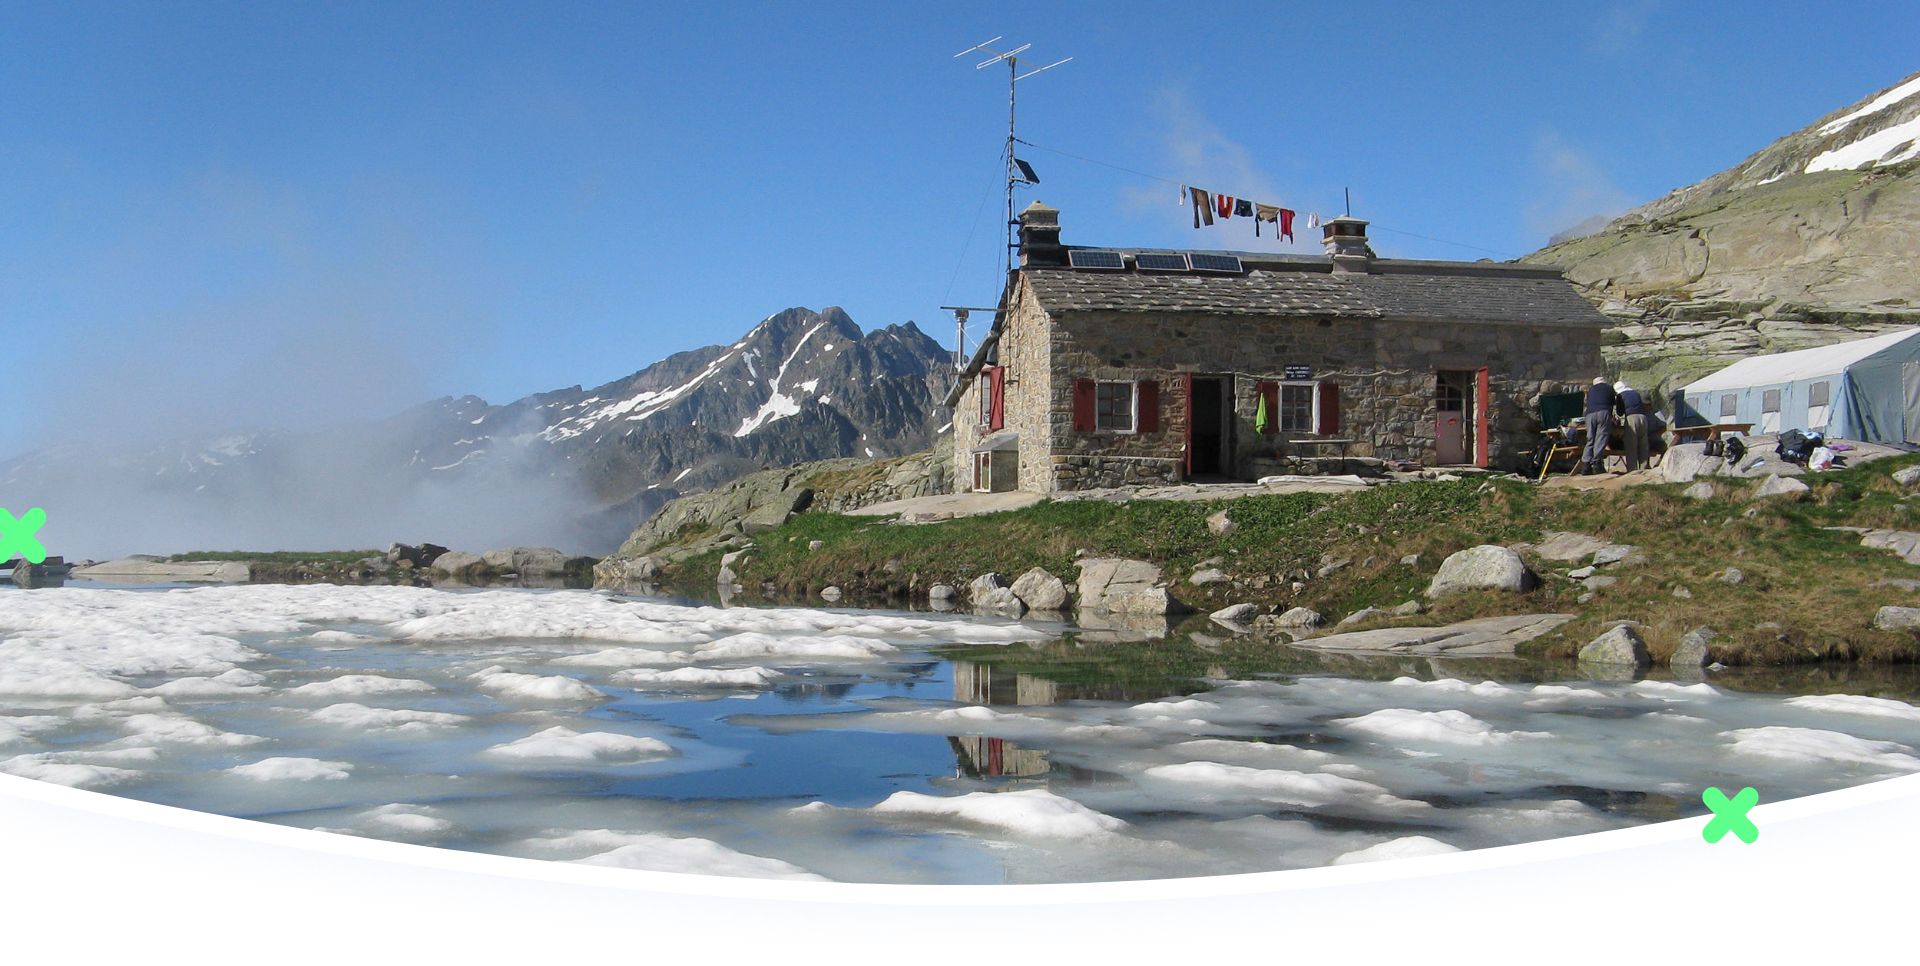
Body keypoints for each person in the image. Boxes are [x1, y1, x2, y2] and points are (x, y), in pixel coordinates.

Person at [1614, 380, 1650, 472]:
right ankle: (1644, 468)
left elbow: (1620, 412)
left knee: (1631, 446)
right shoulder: (1635, 392)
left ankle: (1632, 470)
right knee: (1643, 444)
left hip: (1631, 418)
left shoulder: (1620, 395)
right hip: (1643, 417)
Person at [1582, 377, 1615, 474]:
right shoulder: (1609, 388)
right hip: (1603, 412)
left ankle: (1585, 465)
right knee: (1601, 437)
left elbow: (1587, 403)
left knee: (1590, 438)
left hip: (1590, 414)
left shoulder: (1591, 390)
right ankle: (1596, 463)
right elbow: (1612, 403)